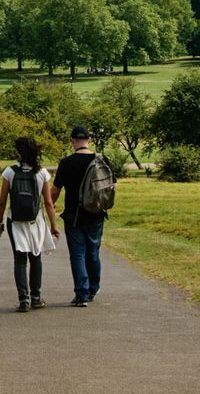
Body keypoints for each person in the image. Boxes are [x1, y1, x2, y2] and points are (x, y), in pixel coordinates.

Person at [50, 126, 113, 307]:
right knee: (93, 251)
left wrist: (50, 205)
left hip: (74, 215)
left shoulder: (67, 162)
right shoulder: (102, 160)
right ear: (89, 140)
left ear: (72, 141)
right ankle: (93, 287)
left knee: (77, 254)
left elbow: (55, 189)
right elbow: (111, 186)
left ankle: (81, 294)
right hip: (96, 213)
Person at [0, 137, 60, 312]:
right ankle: (36, 298)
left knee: (19, 260)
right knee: (36, 257)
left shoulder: (9, 172)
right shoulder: (42, 173)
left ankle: (23, 300)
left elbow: (2, 201)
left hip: (15, 221)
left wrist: (0, 221)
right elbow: (48, 203)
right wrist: (53, 226)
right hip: (35, 220)